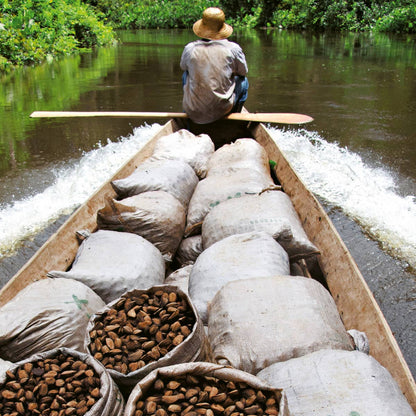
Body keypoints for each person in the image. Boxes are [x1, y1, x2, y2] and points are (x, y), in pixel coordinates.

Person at [180, 7, 249, 124]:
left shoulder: (190, 48)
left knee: (186, 74)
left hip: (194, 111)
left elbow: (183, 66)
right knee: (243, 81)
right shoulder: (233, 49)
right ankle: (234, 118)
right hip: (222, 109)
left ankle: (189, 116)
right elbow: (243, 72)